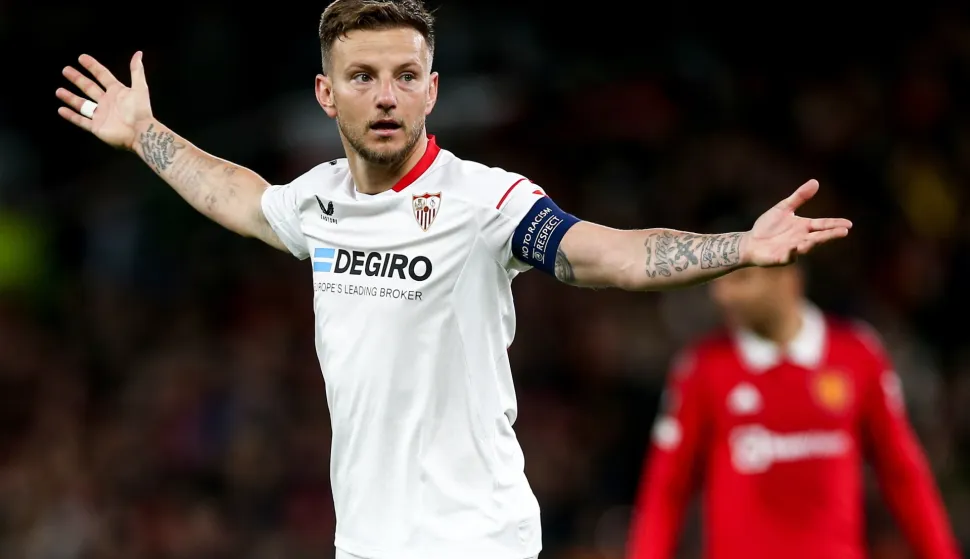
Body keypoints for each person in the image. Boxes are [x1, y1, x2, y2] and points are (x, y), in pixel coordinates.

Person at [54, 1, 852, 558]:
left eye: (406, 74)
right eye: (363, 76)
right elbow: (241, 196)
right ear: (327, 95)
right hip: (366, 545)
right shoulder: (321, 200)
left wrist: (737, 247)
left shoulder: (488, 201)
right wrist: (146, 136)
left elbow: (607, 254)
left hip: (476, 544)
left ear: (433, 89)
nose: (387, 95)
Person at [626, 250, 961, 559]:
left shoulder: (858, 355)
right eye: (720, 280)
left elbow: (903, 474)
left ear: (787, 278)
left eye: (741, 279)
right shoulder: (703, 368)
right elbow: (665, 492)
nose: (723, 295)